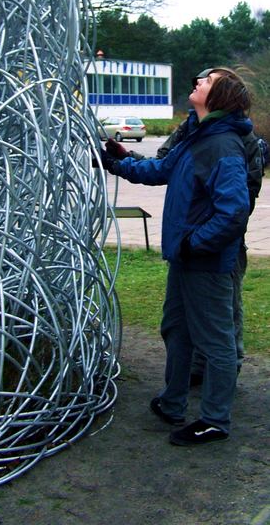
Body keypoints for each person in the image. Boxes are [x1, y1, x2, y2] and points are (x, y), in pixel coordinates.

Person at [97, 67, 252, 445]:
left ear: (220, 97)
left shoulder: (223, 145)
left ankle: (215, 420)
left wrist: (193, 243)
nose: (196, 81)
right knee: (176, 329)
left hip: (206, 263)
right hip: (184, 259)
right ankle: (172, 402)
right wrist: (118, 161)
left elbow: (233, 211)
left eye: (207, 82)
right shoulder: (196, 136)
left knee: (216, 342)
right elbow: (160, 168)